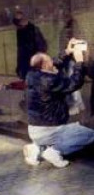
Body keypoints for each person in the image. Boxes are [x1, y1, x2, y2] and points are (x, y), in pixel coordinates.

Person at [24, 39, 94, 168]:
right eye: (50, 60)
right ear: (45, 66)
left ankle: (37, 148)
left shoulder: (31, 75)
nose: (53, 62)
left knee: (69, 131)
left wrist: (67, 51)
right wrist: (79, 62)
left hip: (34, 130)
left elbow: (53, 65)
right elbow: (74, 83)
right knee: (89, 135)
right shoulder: (50, 81)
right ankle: (54, 152)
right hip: (50, 129)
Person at [13, 10, 47, 80]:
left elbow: (41, 46)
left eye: (18, 23)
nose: (17, 26)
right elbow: (20, 49)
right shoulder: (20, 31)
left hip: (33, 60)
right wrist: (19, 66)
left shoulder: (33, 30)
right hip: (25, 62)